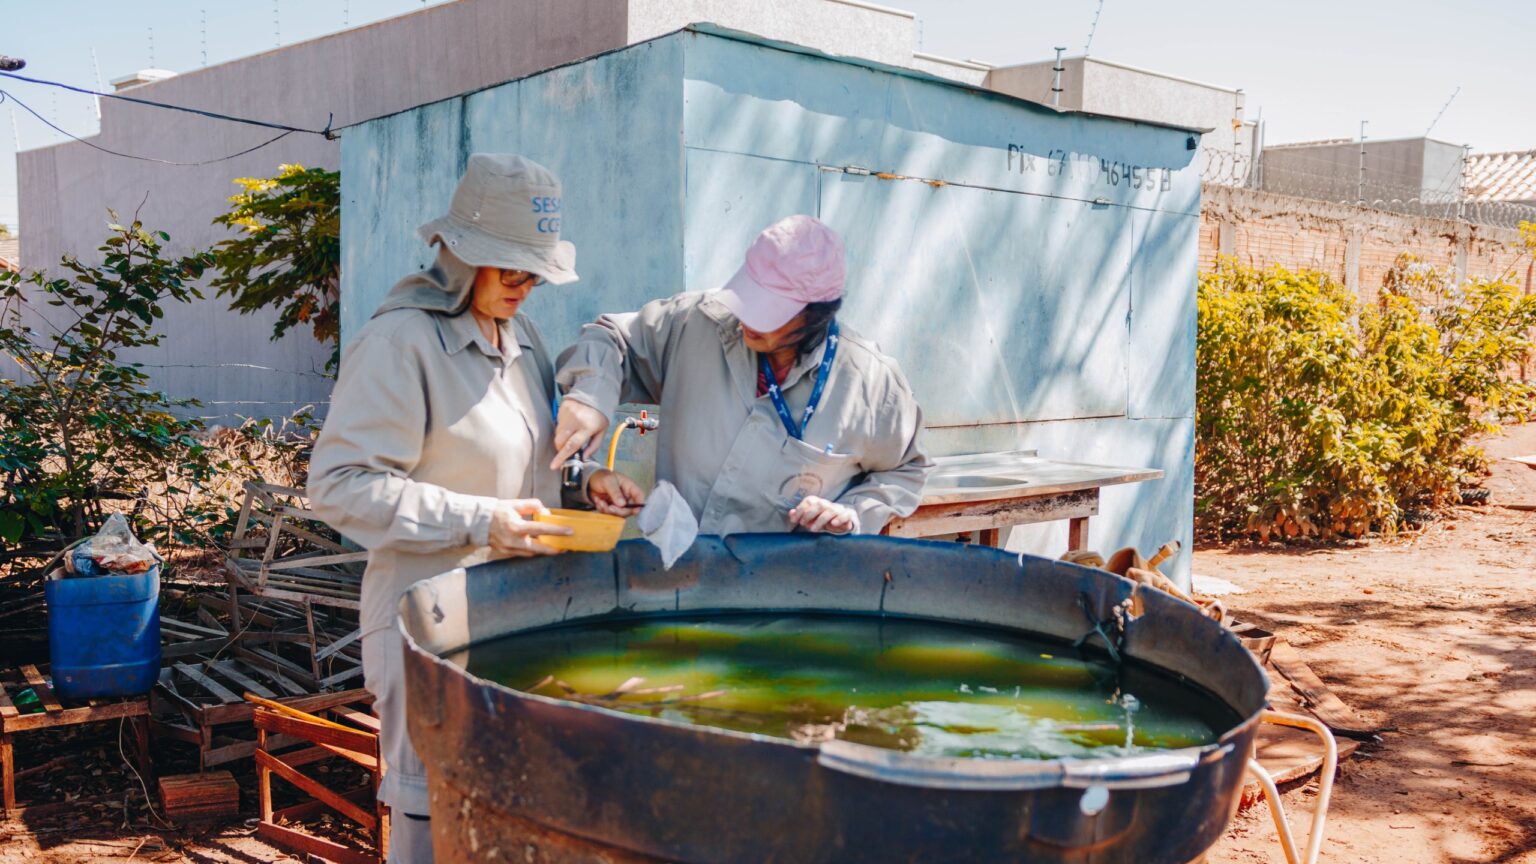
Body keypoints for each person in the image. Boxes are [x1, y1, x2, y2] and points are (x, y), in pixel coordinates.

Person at [308, 154, 581, 863]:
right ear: (461, 258)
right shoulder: (401, 344)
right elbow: (338, 484)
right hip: (426, 629)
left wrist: (589, 484)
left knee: (509, 813)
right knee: (434, 820)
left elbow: (531, 464)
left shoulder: (525, 342)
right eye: (512, 271)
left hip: (517, 620)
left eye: (535, 275)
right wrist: (478, 519)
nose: (525, 288)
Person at [552, 214, 931, 536]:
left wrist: (854, 511)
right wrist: (590, 394)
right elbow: (611, 337)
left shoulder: (870, 386)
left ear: (817, 315)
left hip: (785, 597)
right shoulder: (695, 323)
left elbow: (907, 470)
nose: (748, 316)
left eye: (769, 309)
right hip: (679, 575)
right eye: (748, 295)